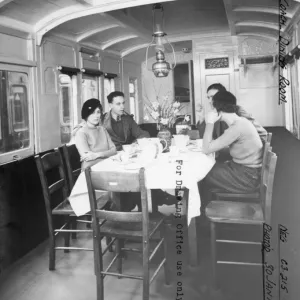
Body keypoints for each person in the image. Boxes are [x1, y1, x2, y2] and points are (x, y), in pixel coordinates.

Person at [199, 91, 263, 214]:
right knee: (208, 168)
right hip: (248, 173)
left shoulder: (236, 127)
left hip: (247, 177)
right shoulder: (241, 122)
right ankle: (206, 210)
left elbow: (206, 149)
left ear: (217, 109)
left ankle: (203, 216)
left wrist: (210, 122)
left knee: (203, 172)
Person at [197, 83, 267, 143]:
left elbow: (263, 134)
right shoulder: (215, 114)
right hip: (223, 153)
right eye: (208, 98)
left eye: (213, 97)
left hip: (239, 155)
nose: (210, 101)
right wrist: (201, 117)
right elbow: (204, 138)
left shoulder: (237, 110)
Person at [73, 98, 117, 170]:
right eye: (92, 113)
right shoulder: (81, 133)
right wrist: (107, 154)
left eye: (98, 112)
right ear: (86, 114)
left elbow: (114, 150)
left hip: (106, 167)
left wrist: (97, 155)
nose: (96, 116)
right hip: (90, 171)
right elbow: (88, 158)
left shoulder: (102, 129)